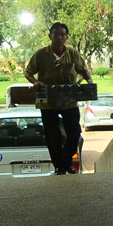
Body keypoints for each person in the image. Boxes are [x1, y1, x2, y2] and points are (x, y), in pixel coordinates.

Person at [25, 22, 93, 175]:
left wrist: (89, 81)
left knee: (74, 132)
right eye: (56, 34)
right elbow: (28, 72)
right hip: (47, 100)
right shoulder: (40, 54)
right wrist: (35, 82)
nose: (59, 37)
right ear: (50, 36)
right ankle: (59, 167)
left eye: (63, 35)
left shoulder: (72, 53)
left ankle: (66, 160)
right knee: (52, 135)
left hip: (69, 99)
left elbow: (83, 70)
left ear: (66, 37)